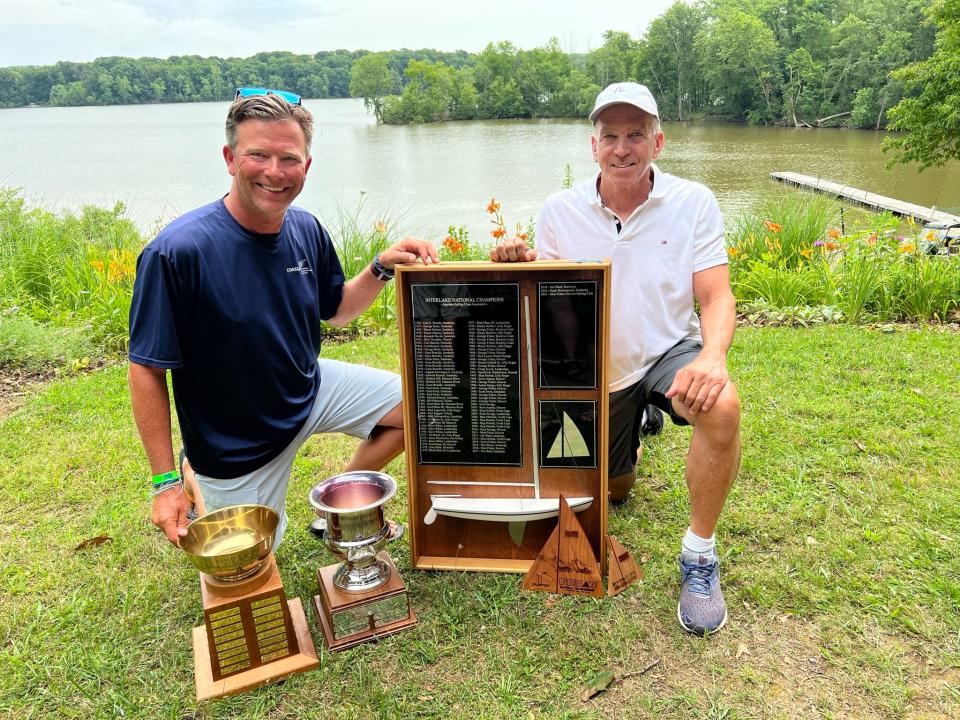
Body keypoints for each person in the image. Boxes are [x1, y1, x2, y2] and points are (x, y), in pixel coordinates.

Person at [128, 89, 437, 550]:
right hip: (237, 444)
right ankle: (196, 474)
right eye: (258, 155)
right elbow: (146, 368)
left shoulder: (306, 228)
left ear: (307, 166)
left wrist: (382, 267)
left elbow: (338, 311)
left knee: (425, 405)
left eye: (289, 158)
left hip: (308, 388)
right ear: (230, 158)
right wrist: (165, 482)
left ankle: (336, 503)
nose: (275, 172)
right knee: (248, 563)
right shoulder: (177, 252)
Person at [491, 82, 741, 634]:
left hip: (666, 352)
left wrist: (714, 358)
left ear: (659, 141)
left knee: (721, 406)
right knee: (613, 494)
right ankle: (629, 439)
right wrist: (518, 266)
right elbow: (547, 301)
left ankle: (699, 556)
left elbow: (716, 295)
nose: (622, 148)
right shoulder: (559, 209)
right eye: (611, 136)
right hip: (591, 370)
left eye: (635, 135)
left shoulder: (694, 201)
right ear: (593, 145)